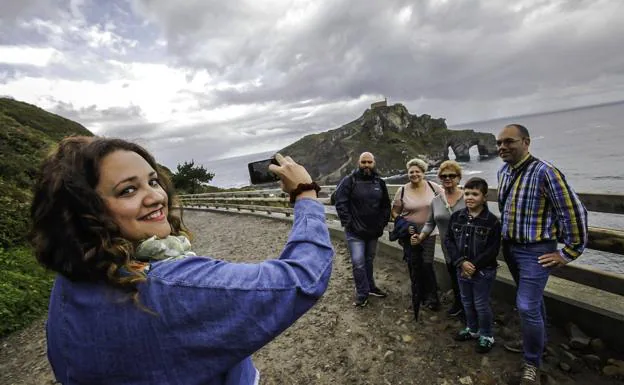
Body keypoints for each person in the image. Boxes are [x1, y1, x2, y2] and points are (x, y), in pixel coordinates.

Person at [30, 136, 334, 385]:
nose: (156, 196)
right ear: (85, 214)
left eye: (153, 181)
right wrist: (305, 194)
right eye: (128, 190)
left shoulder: (71, 284)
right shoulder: (169, 288)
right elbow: (302, 278)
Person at [496, 124, 588, 385]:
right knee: (532, 303)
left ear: (526, 142)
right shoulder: (503, 171)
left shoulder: (546, 172)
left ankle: (532, 362)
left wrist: (568, 253)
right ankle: (540, 341)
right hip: (511, 247)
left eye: (509, 142)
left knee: (525, 305)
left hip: (536, 251)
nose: (502, 147)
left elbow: (575, 212)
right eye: (499, 143)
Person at [445, 177, 501, 354]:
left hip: (483, 271)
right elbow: (449, 241)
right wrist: (461, 262)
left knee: (481, 303)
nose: (470, 197)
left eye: (475, 194)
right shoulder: (456, 217)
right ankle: (472, 328)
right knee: (466, 301)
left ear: (484, 197)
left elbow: (493, 249)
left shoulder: (492, 221)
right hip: (461, 268)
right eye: (467, 193)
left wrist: (473, 266)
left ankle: (486, 334)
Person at [335, 151, 391, 307]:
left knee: (368, 261)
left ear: (374, 163)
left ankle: (371, 287)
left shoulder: (380, 182)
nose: (367, 165)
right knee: (358, 262)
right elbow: (340, 203)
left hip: (373, 231)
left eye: (369, 162)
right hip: (355, 233)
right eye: (364, 162)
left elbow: (386, 206)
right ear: (358, 163)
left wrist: (381, 224)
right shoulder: (349, 181)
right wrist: (349, 224)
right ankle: (362, 293)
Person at [411, 160, 466, 317]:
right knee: (455, 278)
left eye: (451, 175)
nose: (447, 178)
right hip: (448, 249)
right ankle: (459, 304)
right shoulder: (436, 201)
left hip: (468, 249)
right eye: (443, 176)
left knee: (468, 280)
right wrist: (420, 237)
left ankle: (470, 311)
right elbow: (429, 223)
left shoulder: (467, 197)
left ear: (458, 178)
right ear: (439, 179)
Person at [390, 158, 443, 320]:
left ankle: (432, 297)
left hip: (428, 233)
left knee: (427, 264)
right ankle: (418, 294)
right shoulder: (403, 190)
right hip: (409, 234)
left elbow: (449, 199)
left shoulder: (433, 187)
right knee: (414, 264)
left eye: (417, 171)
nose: (414, 174)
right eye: (411, 172)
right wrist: (403, 224)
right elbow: (394, 212)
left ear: (423, 172)